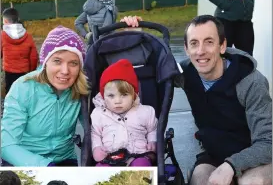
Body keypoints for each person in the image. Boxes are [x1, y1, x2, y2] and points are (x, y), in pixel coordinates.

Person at [123, 15, 272, 184]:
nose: (201, 51)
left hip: (253, 154)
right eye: (194, 43)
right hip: (214, 154)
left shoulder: (250, 81)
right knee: (201, 180)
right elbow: (151, 67)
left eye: (209, 42)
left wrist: (231, 165)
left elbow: (267, 143)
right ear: (186, 49)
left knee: (252, 182)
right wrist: (135, 35)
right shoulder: (185, 74)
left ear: (222, 46)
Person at [1, 25, 89, 166]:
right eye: (57, 61)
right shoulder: (23, 88)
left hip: (64, 157)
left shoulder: (81, 88)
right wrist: (45, 166)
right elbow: (6, 145)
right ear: (45, 62)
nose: (65, 71)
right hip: (25, 159)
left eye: (73, 63)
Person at [91, 59, 157, 166]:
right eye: (111, 96)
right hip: (109, 157)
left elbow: (152, 129)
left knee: (142, 166)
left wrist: (152, 141)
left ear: (134, 94)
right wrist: (96, 148)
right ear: (103, 96)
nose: (117, 101)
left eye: (124, 95)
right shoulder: (99, 114)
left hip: (138, 155)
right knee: (100, 170)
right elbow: (95, 134)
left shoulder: (146, 112)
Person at [1, 7, 38, 94]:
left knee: (10, 92)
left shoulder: (2, 35)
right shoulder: (28, 36)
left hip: (9, 72)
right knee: (23, 92)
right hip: (24, 72)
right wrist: (31, 71)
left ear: (5, 21)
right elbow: (34, 57)